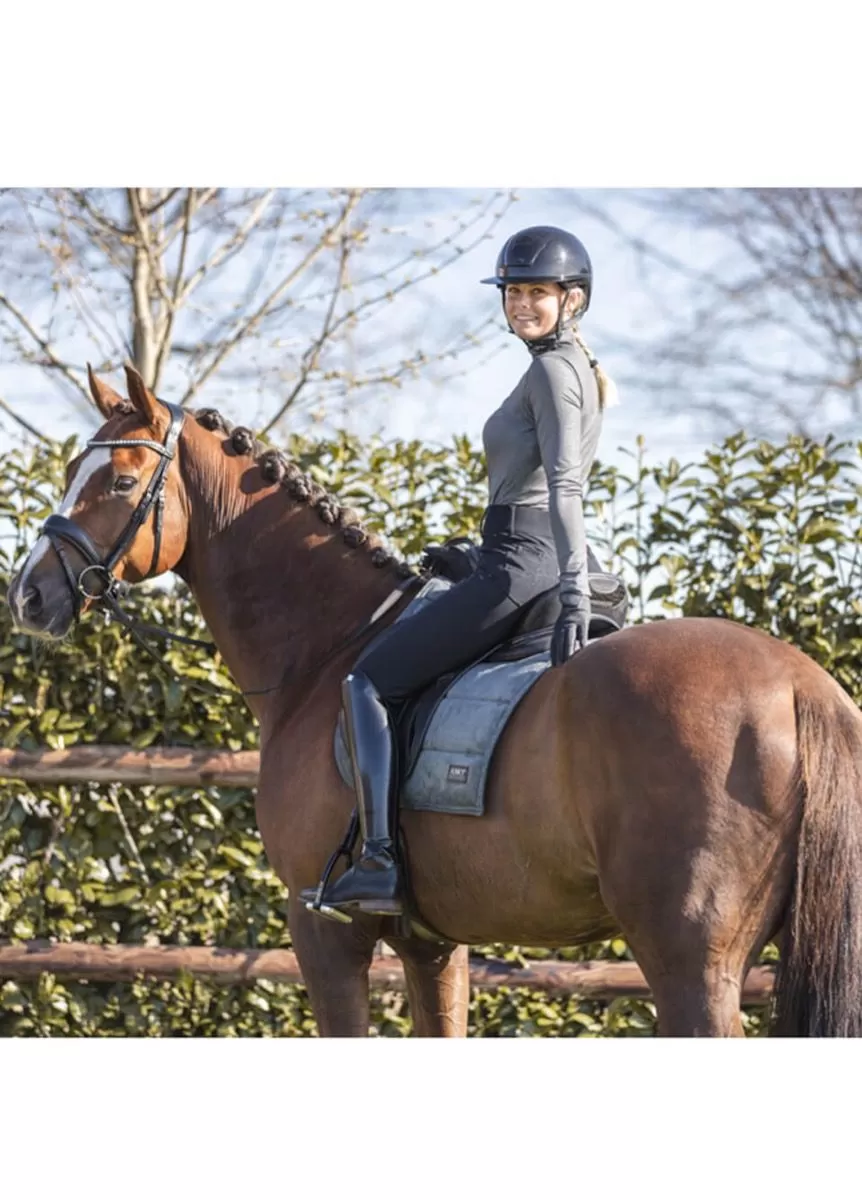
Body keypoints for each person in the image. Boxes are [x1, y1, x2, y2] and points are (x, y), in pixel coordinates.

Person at [302, 225, 616, 919]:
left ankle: (380, 862)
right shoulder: (565, 367)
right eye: (514, 291)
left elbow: (565, 490)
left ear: (573, 300)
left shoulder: (552, 370)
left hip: (525, 567)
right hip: (510, 556)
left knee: (369, 682)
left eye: (538, 292)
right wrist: (477, 556)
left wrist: (572, 591)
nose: (523, 304)